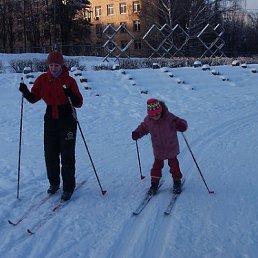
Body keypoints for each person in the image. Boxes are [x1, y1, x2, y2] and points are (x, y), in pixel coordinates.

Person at [19, 51, 83, 201]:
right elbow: (34, 98)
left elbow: (79, 103)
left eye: (56, 65)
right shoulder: (42, 79)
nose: (54, 68)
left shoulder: (69, 81)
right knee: (50, 153)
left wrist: (70, 94)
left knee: (67, 155)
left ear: (61, 65)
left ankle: (68, 187)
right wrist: (25, 92)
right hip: (50, 119)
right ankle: (54, 183)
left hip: (67, 118)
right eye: (51, 65)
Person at [132, 98, 187, 195]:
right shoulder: (148, 120)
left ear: (161, 110)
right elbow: (143, 128)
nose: (155, 116)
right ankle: (154, 184)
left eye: (157, 114)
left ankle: (177, 181)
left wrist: (181, 125)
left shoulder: (169, 118)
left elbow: (182, 122)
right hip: (158, 149)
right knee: (156, 167)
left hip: (171, 147)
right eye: (152, 115)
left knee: (174, 166)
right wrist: (137, 133)